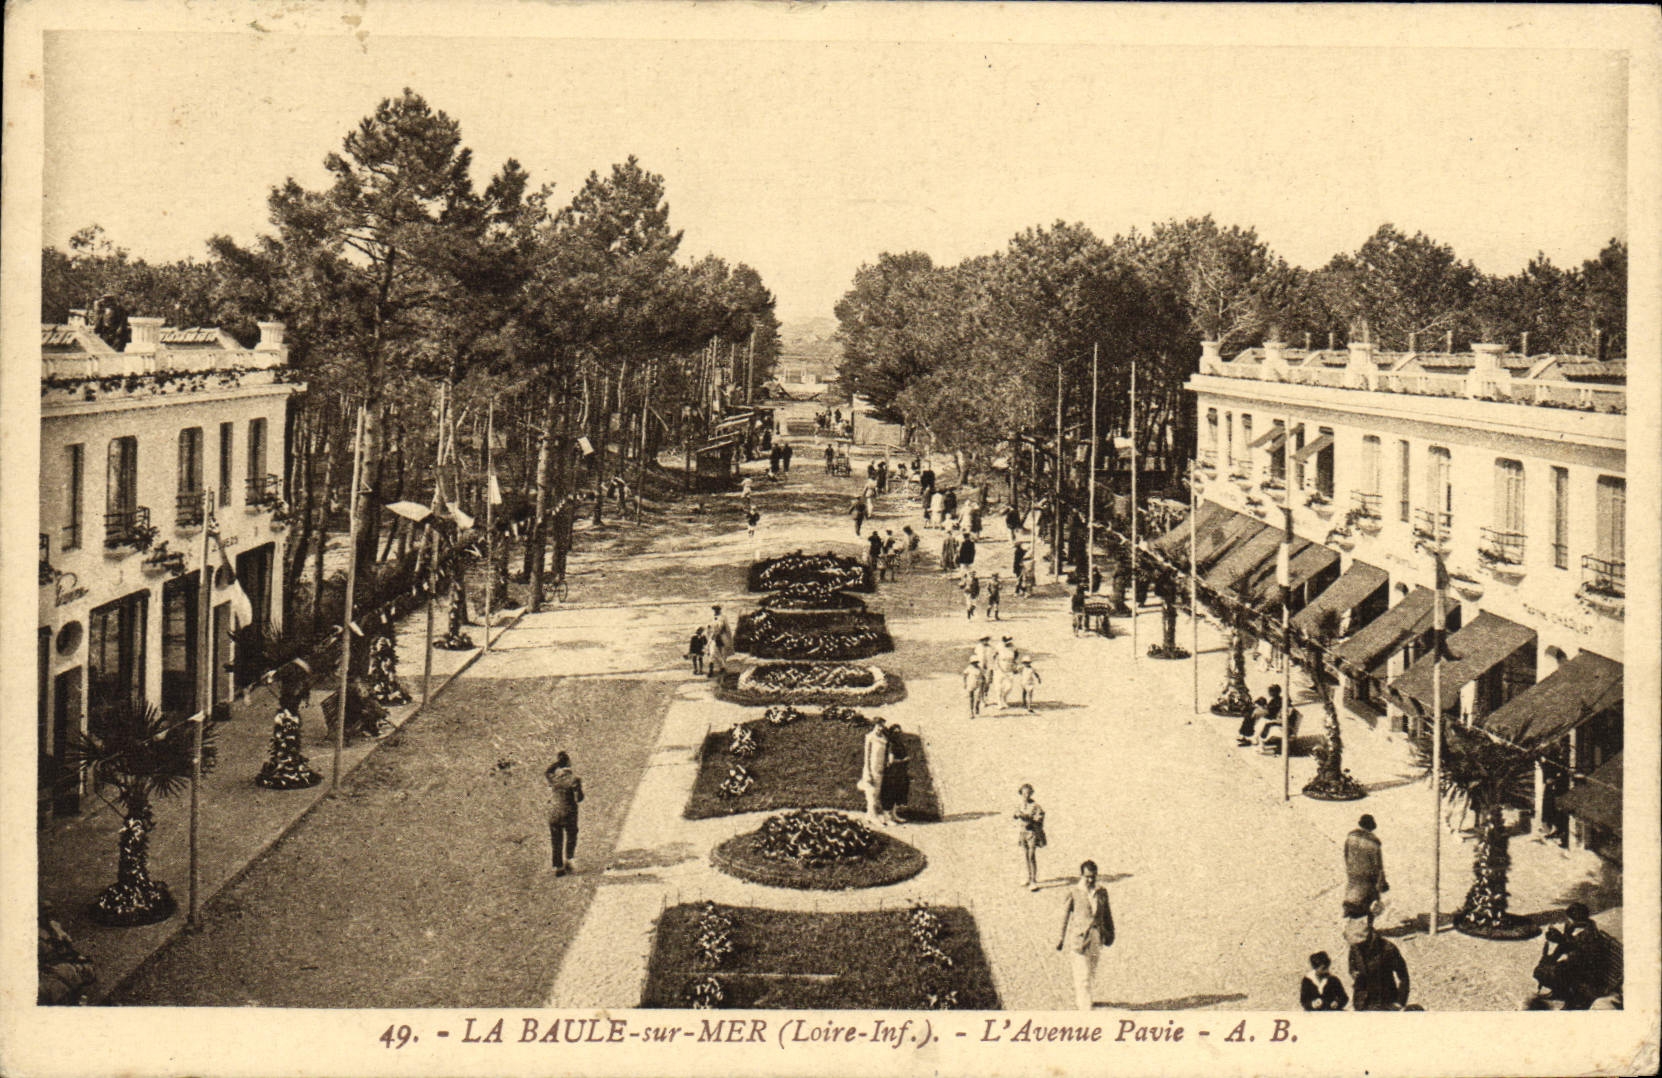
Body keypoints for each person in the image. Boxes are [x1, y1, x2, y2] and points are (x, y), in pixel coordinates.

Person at [1533, 903, 1617, 1010]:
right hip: (1576, 967)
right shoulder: (1575, 928)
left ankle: (1572, 1000)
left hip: (1588, 973)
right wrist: (1552, 956)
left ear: (1579, 919)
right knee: (1543, 970)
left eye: (1571, 919)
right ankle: (1559, 992)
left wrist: (1562, 940)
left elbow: (1585, 956)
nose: (1568, 922)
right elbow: (1566, 946)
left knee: (1556, 972)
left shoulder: (1590, 933)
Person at [1057, 860, 1115, 1011]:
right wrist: (1060, 938)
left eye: (1093, 877)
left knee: (1091, 971)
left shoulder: (1101, 892)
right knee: (1082, 973)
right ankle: (1084, 1006)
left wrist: (1110, 933)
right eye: (1087, 876)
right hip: (1080, 939)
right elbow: (1064, 916)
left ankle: (1085, 997)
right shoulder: (1074, 892)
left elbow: (1107, 914)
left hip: (1096, 937)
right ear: (1081, 875)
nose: (1090, 880)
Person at [1348, 924, 1410, 1011]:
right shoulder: (1355, 948)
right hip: (1362, 1003)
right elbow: (1352, 966)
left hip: (1385, 1002)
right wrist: (1353, 973)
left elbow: (1404, 977)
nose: (1355, 945)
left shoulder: (1388, 948)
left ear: (1368, 936)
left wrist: (1400, 1002)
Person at [1343, 814, 1390, 926]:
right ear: (1371, 827)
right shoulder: (1374, 843)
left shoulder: (1350, 837)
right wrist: (1382, 882)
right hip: (1368, 876)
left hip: (1353, 873)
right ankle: (1365, 929)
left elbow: (1346, 854)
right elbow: (1378, 865)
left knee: (1353, 897)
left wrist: (1350, 867)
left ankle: (1351, 923)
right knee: (1368, 902)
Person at [545, 752, 584, 876]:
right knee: (572, 834)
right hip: (568, 812)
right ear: (569, 763)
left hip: (554, 812)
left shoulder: (553, 778)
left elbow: (548, 771)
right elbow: (579, 798)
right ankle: (569, 859)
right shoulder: (574, 779)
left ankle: (558, 867)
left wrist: (558, 764)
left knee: (556, 839)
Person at [1014, 784, 1047, 890]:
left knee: (1031, 856)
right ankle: (1028, 877)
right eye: (1023, 793)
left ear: (1031, 793)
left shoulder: (1035, 806)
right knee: (1025, 855)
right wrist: (1017, 814)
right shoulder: (1020, 805)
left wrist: (1029, 819)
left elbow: (1040, 818)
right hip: (1022, 833)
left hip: (1032, 833)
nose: (1026, 795)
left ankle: (1033, 880)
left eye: (1028, 793)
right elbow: (1015, 815)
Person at [860, 718, 890, 823]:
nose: (880, 728)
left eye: (882, 726)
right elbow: (867, 756)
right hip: (871, 769)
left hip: (880, 769)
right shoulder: (870, 737)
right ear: (874, 725)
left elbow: (885, 754)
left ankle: (869, 815)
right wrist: (868, 772)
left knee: (876, 794)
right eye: (878, 725)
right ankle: (874, 817)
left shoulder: (884, 738)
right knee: (871, 794)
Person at [880, 723, 910, 824]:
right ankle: (887, 817)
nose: (898, 734)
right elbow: (891, 761)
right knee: (890, 794)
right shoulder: (891, 745)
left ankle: (894, 814)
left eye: (899, 732)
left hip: (900, 773)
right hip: (892, 774)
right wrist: (904, 760)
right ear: (892, 733)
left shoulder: (900, 744)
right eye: (895, 732)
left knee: (897, 793)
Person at [992, 635, 1018, 708]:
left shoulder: (1013, 647)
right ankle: (999, 702)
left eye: (1008, 641)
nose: (1007, 642)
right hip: (999, 668)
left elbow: (1016, 655)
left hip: (1009, 668)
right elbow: (994, 656)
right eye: (1005, 641)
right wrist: (996, 665)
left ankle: (1003, 698)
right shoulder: (999, 646)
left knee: (1009, 687)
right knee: (998, 686)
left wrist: (1014, 664)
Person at [707, 605, 733, 678]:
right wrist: (709, 636)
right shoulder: (711, 617)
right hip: (713, 638)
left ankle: (722, 668)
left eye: (717, 609)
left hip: (721, 637)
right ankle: (711, 670)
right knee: (712, 653)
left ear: (720, 610)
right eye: (715, 609)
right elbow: (708, 628)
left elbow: (727, 628)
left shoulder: (723, 617)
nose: (716, 611)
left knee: (722, 653)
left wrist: (729, 638)